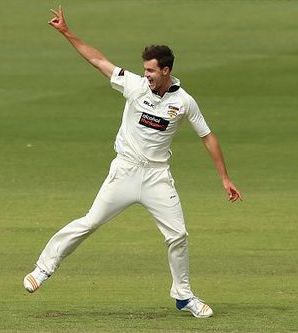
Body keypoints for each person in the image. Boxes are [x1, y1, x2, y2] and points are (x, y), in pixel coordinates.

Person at [24, 6, 242, 319]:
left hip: (157, 177)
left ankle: (183, 296)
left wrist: (224, 178)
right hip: (125, 171)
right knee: (91, 221)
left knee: (178, 235)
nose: (147, 74)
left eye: (151, 70)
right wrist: (66, 32)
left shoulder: (183, 102)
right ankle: (43, 269)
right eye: (145, 69)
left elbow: (207, 136)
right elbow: (98, 60)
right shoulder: (135, 86)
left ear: (165, 70)